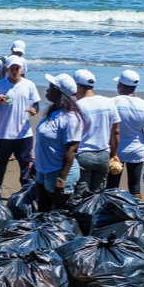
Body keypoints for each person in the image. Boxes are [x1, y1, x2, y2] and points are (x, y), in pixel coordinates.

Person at [0, 55, 40, 198]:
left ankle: (27, 189)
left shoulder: (29, 85)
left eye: (18, 69)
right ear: (7, 70)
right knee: (1, 163)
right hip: (5, 133)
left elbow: (36, 104)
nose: (15, 72)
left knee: (25, 164)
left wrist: (35, 110)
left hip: (24, 133)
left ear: (22, 69)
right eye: (12, 69)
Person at [108, 69, 144, 199]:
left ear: (121, 86)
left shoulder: (113, 102)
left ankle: (110, 215)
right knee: (135, 188)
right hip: (136, 151)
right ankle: (139, 213)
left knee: (111, 187)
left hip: (115, 152)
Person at [34, 73, 85, 212]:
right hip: (43, 170)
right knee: (42, 210)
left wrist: (61, 179)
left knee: (61, 213)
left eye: (51, 87)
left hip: (57, 172)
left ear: (59, 92)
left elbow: (72, 150)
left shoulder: (70, 118)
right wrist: (36, 164)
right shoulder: (53, 112)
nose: (47, 90)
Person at [72, 69, 120, 197]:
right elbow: (115, 132)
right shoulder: (109, 102)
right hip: (103, 155)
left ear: (78, 86)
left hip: (83, 155)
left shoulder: (77, 106)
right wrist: (114, 155)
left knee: (81, 195)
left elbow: (73, 135)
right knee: (97, 195)